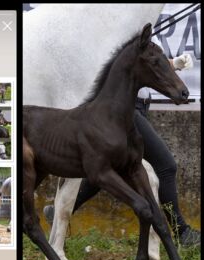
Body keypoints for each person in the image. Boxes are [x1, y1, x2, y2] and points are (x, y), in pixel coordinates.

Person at [44, 53, 200, 248]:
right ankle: (181, 231)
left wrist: (172, 64)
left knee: (108, 169)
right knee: (166, 165)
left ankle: (59, 210)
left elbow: (146, 62)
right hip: (127, 109)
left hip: (138, 107)